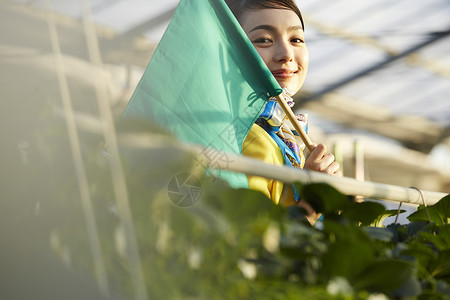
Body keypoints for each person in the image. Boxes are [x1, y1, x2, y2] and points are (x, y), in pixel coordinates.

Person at [225, 0, 342, 223]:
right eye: (263, 40)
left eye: (296, 39)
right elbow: (259, 246)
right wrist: (314, 200)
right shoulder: (247, 142)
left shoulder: (281, 136)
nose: (286, 54)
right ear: (231, 53)